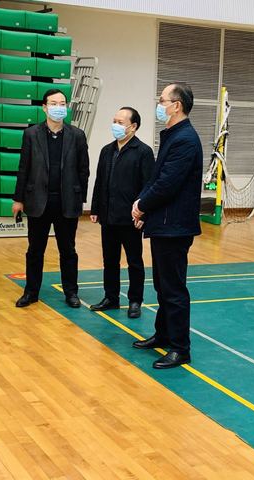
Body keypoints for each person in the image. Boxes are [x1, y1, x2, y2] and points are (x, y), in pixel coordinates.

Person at [131, 83, 203, 369]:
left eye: (162, 100)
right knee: (162, 286)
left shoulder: (185, 139)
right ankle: (163, 334)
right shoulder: (173, 135)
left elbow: (167, 184)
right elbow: (155, 178)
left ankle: (180, 348)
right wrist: (142, 205)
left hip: (175, 226)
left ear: (177, 106)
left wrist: (142, 206)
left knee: (174, 289)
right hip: (163, 223)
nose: (159, 105)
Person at [12, 89, 90, 308]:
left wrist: (80, 197)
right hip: (38, 201)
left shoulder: (77, 135)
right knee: (35, 251)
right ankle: (31, 292)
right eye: (54, 104)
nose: (58, 107)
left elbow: (83, 169)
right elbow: (24, 168)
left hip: (67, 202)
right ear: (44, 108)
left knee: (68, 251)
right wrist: (18, 199)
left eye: (62, 103)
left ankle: (71, 292)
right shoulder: (31, 134)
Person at [89, 107, 154, 318]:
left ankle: (135, 301)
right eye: (114, 121)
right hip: (108, 216)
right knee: (109, 260)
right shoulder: (106, 150)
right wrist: (95, 208)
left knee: (134, 262)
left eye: (120, 122)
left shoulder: (143, 152)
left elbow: (148, 186)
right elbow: (100, 181)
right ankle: (111, 297)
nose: (115, 125)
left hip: (131, 218)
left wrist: (143, 214)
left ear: (133, 127)